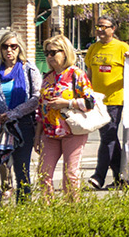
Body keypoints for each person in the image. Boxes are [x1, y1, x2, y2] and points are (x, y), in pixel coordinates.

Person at [0, 29, 42, 204]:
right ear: (0, 49)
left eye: (14, 46)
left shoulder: (29, 69)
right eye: (5, 46)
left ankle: (23, 211)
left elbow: (36, 98)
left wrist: (12, 114)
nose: (10, 50)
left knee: (21, 171)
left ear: (20, 48)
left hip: (22, 124)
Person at [37, 34, 95, 201]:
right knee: (44, 174)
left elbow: (90, 102)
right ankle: (47, 210)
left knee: (70, 175)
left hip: (72, 131)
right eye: (47, 53)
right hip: (49, 133)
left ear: (65, 52)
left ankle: (71, 211)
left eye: (53, 52)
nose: (49, 56)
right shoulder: (47, 77)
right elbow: (40, 110)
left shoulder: (76, 74)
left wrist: (67, 103)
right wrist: (37, 135)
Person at [85, 13, 129, 190]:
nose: (100, 30)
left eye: (104, 26)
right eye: (98, 26)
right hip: (97, 100)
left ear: (113, 29)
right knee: (110, 138)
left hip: (115, 99)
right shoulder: (93, 48)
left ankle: (99, 175)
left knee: (107, 136)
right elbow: (89, 74)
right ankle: (122, 177)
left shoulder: (121, 47)